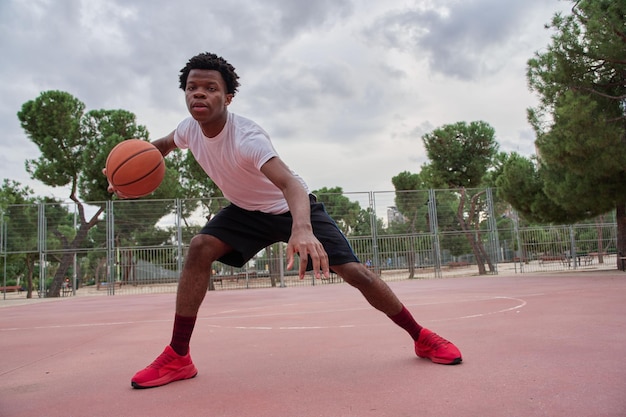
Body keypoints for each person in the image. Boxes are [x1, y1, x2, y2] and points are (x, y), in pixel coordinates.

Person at [109, 52, 462, 389]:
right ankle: (178, 357)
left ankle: (422, 337)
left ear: (228, 98)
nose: (199, 93)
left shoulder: (248, 138)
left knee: (357, 273)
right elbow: (162, 146)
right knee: (200, 247)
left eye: (211, 88)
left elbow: (290, 183)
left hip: (290, 207)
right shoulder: (189, 128)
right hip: (246, 211)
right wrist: (123, 176)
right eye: (192, 87)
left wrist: (302, 227)